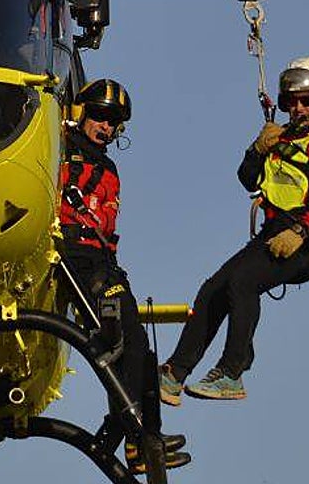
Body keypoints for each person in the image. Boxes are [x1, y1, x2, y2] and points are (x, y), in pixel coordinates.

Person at [160, 56, 309, 404]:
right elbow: (248, 178)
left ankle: (232, 372)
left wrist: (303, 231)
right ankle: (174, 374)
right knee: (214, 289)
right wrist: (257, 149)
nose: (298, 109)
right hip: (276, 232)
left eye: (307, 101)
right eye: (290, 102)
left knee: (243, 282)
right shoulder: (285, 137)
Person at [58, 78, 191, 472]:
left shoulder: (108, 166)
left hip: (102, 261)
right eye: (99, 116)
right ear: (82, 113)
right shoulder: (60, 149)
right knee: (127, 346)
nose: (105, 127)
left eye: (112, 122)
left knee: (142, 354)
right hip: (76, 259)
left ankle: (142, 441)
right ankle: (137, 437)